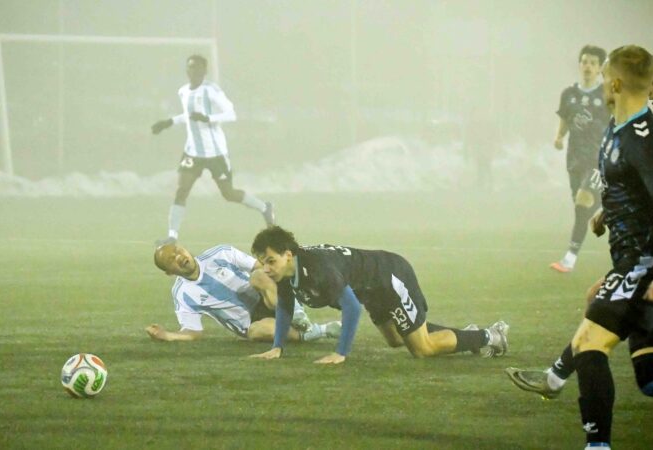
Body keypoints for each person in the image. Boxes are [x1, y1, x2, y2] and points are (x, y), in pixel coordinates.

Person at [509, 46, 653, 450]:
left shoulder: (646, 138)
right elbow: (634, 184)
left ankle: (593, 438)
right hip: (634, 262)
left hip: (648, 263)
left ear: (617, 83)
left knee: (592, 343)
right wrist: (609, 211)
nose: (599, 82)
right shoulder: (620, 126)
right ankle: (556, 380)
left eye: (605, 76)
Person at [246, 226, 509, 364]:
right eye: (263, 262)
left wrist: (341, 353)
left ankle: (491, 336)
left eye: (271, 261)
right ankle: (464, 336)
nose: (266, 269)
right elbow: (285, 307)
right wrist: (277, 347)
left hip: (389, 277)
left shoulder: (318, 268)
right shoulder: (286, 272)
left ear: (288, 255)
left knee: (422, 349)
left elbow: (351, 308)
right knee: (395, 339)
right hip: (372, 291)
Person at [150, 55, 274, 245]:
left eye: (197, 67)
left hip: (215, 152)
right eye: (190, 67)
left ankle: (264, 207)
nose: (193, 71)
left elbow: (231, 114)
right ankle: (172, 236)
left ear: (204, 71)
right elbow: (188, 115)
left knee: (228, 193)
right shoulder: (183, 91)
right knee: (181, 190)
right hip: (193, 152)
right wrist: (168, 122)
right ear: (186, 70)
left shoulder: (211, 90)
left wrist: (208, 118)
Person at [148, 242, 340, 343]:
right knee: (260, 332)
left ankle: (297, 313)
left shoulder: (220, 253)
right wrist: (168, 336)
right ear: (169, 272)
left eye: (178, 251)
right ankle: (319, 331)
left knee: (259, 274)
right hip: (251, 323)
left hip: (268, 297)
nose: (179, 257)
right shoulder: (182, 294)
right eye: (171, 260)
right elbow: (193, 332)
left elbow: (263, 267)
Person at [550, 45, 611, 273]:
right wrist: (559, 136)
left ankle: (569, 258)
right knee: (581, 208)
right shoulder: (569, 94)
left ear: (599, 68)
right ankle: (606, 205)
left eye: (593, 63)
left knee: (583, 201)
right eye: (585, 61)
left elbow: (618, 118)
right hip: (574, 159)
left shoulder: (606, 93)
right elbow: (565, 119)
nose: (588, 66)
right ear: (579, 64)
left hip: (597, 159)